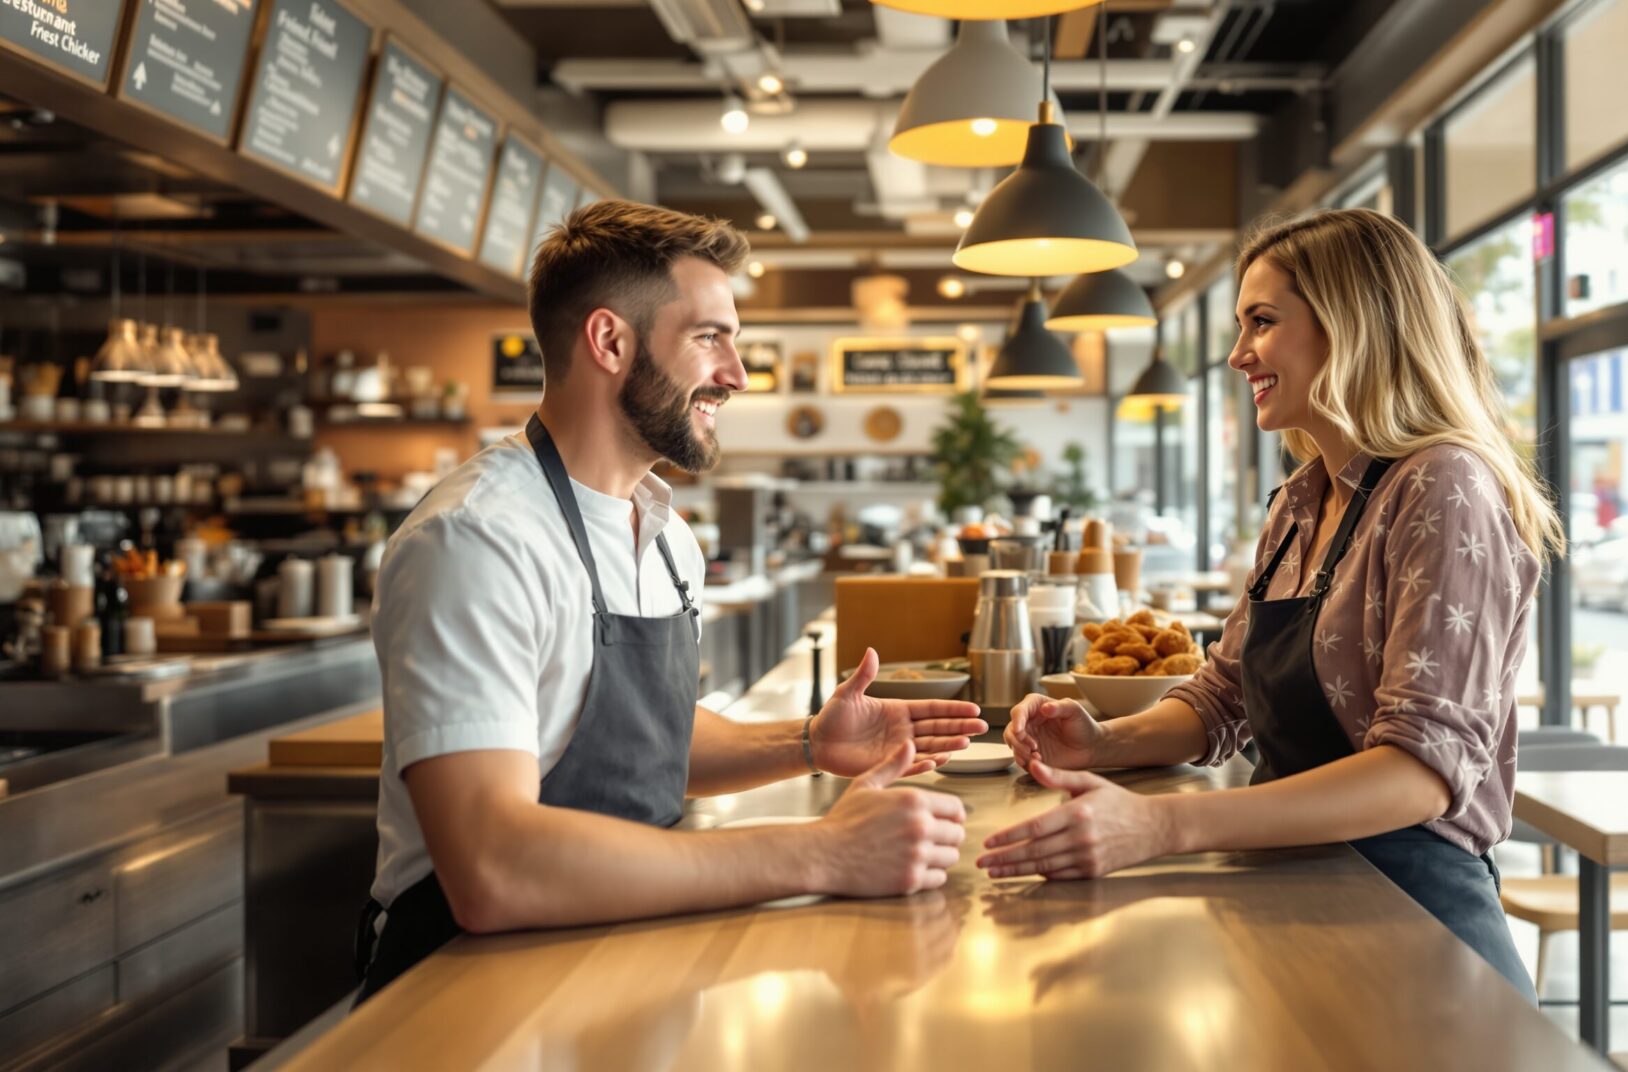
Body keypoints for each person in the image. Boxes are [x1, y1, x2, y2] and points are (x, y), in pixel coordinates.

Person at [357, 202, 985, 1001]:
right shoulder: (477, 540)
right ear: (610, 341)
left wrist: (806, 741)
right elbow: (492, 866)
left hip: (623, 954)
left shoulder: (663, 533)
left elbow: (637, 741)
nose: (738, 374)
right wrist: (822, 852)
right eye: (709, 338)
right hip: (464, 990)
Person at [981, 208, 1562, 996]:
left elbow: (1419, 774)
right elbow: (1224, 697)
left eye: (1261, 321)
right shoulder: (1300, 500)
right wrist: (1102, 743)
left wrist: (1160, 825)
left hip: (1415, 921)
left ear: (1352, 326)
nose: (1236, 354)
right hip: (1293, 894)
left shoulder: (1444, 484)